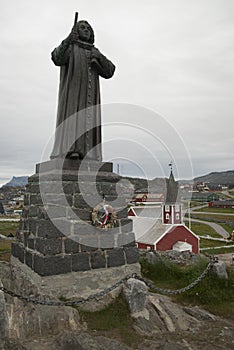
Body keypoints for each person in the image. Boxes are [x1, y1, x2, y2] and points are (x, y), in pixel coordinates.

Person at [50, 20, 115, 160]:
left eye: (88, 28)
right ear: (76, 32)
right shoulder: (70, 48)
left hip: (91, 98)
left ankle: (90, 153)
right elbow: (57, 57)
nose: (86, 30)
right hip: (72, 95)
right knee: (74, 117)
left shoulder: (94, 51)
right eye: (82, 28)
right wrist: (68, 40)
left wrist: (99, 58)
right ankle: (71, 149)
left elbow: (110, 71)